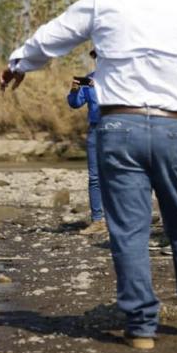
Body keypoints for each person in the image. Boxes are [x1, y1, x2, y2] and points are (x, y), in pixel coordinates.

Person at [0, 0, 177, 350]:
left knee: (129, 231)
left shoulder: (105, 0)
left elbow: (54, 36)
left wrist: (19, 62)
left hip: (119, 127)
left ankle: (142, 327)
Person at [67, 49, 105, 235]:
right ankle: (98, 220)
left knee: (122, 175)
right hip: (95, 131)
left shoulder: (124, 79)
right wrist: (75, 87)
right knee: (95, 177)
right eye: (97, 55)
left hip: (121, 129)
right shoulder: (87, 81)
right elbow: (74, 103)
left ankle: (121, 219)